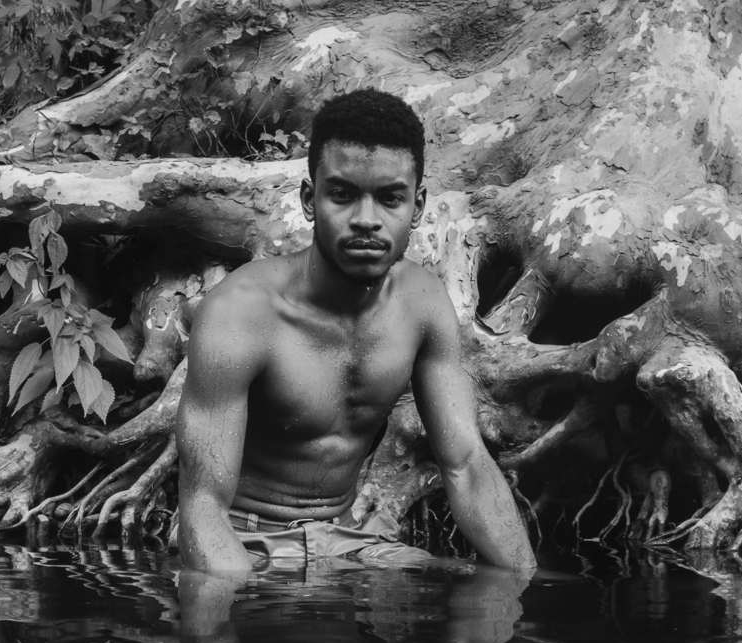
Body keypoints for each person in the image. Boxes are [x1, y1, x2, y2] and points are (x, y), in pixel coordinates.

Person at [175, 88, 536, 574]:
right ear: (310, 199)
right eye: (343, 195)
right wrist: (235, 609)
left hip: (350, 544)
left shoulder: (422, 303)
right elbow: (203, 509)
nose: (366, 220)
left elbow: (467, 464)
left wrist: (521, 589)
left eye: (389, 198)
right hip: (244, 543)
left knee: (503, 587)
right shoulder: (242, 313)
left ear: (418, 205)